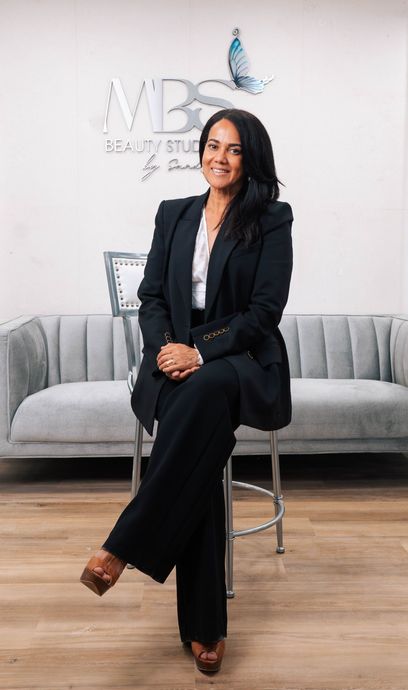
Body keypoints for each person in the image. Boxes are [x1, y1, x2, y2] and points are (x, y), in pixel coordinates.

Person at [80, 108, 294, 673]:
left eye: (233, 150)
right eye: (211, 145)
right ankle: (205, 629)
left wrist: (201, 351)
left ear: (251, 160)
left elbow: (264, 311)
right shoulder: (172, 213)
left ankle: (122, 545)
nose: (218, 157)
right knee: (198, 439)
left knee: (202, 403)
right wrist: (167, 351)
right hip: (172, 360)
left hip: (238, 360)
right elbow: (152, 296)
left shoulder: (271, 218)